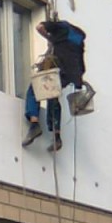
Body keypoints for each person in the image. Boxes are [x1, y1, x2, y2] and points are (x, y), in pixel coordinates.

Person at [22, 19, 92, 151]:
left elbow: (39, 27)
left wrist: (50, 39)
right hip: (69, 74)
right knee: (53, 97)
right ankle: (56, 135)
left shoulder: (60, 26)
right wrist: (77, 80)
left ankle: (34, 124)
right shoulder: (78, 39)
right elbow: (82, 66)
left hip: (56, 67)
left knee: (34, 90)